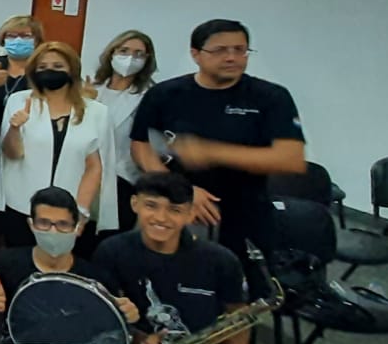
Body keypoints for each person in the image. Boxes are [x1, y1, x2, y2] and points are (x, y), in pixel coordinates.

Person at [130, 19, 305, 258]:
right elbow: (141, 146)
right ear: (195, 54)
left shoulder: (270, 97)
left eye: (240, 50)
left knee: (239, 278)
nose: (231, 57)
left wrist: (210, 151)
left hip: (245, 207)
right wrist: (180, 190)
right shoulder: (165, 94)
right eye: (220, 50)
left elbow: (290, 158)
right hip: (175, 205)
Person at [93, 173, 248, 344]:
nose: (161, 218)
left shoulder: (221, 261)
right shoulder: (111, 251)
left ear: (191, 214)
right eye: (151, 206)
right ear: (134, 203)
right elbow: (103, 318)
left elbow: (239, 327)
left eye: (175, 210)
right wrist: (139, 340)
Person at [0, 42, 117, 248]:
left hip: (70, 210)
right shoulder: (19, 101)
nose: (50, 72)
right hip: (22, 206)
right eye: (43, 67)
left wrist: (81, 211)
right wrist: (14, 128)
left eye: (58, 67)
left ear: (72, 70)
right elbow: (11, 155)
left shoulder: (96, 112)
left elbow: (95, 167)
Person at [0, 187, 136, 339]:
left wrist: (125, 316)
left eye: (63, 224)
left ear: (77, 227)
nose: (53, 231)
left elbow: (110, 333)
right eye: (44, 222)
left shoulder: (96, 278)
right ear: (31, 224)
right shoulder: (5, 265)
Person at [90, 31, 159, 236]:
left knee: (109, 239)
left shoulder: (150, 96)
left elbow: (151, 144)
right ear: (111, 54)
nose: (130, 58)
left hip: (123, 179)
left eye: (139, 54)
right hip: (84, 176)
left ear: (147, 60)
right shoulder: (93, 88)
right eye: (124, 51)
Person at [0, 15, 46, 118]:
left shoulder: (42, 69)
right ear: (3, 40)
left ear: (37, 40)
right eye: (11, 36)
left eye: (25, 36)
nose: (18, 40)